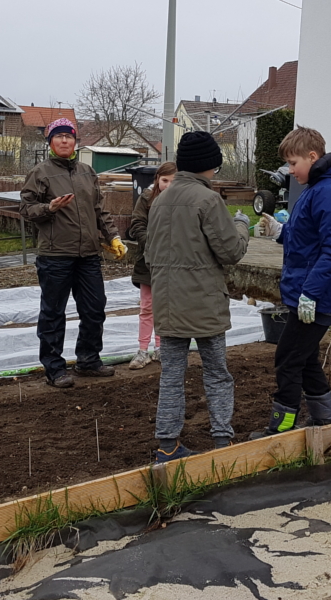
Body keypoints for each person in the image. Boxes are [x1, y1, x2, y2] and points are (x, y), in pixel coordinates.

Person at [145, 131, 250, 461]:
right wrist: (243, 225)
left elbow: (150, 254)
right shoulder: (208, 201)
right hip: (205, 303)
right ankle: (222, 441)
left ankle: (167, 445)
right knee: (217, 374)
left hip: (168, 303)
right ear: (210, 166)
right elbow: (231, 251)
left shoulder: (160, 201)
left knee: (172, 377)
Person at [254, 126, 331, 438]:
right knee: (305, 356)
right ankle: (325, 419)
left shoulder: (329, 192)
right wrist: (280, 232)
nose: (289, 170)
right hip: (306, 293)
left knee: (287, 359)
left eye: (293, 163)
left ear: (312, 157)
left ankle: (281, 427)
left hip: (316, 297)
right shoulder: (316, 188)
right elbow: (308, 240)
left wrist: (310, 293)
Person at [20, 117, 127, 388]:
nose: (65, 140)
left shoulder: (86, 172)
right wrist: (49, 208)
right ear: (51, 142)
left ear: (75, 141)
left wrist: (113, 237)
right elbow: (25, 210)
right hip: (55, 256)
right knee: (53, 313)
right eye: (59, 137)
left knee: (94, 308)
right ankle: (54, 369)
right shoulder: (40, 173)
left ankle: (88, 360)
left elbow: (99, 210)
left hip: (88, 255)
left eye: (69, 136)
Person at [127, 162, 176, 370]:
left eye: (173, 182)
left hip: (173, 263)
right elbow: (137, 223)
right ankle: (142, 349)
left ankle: (161, 347)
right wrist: (151, 243)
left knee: (166, 307)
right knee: (147, 307)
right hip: (148, 263)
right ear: (157, 180)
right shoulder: (146, 199)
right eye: (165, 180)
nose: (168, 185)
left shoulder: (182, 202)